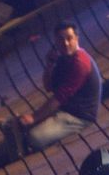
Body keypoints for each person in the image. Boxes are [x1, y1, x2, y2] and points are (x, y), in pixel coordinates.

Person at [17, 22, 102, 150]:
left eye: (69, 38)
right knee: (18, 128)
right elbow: (49, 87)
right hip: (65, 109)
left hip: (79, 116)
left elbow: (60, 97)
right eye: (61, 40)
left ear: (76, 39)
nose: (66, 43)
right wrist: (49, 65)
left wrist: (34, 117)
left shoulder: (80, 62)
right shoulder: (63, 58)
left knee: (34, 137)